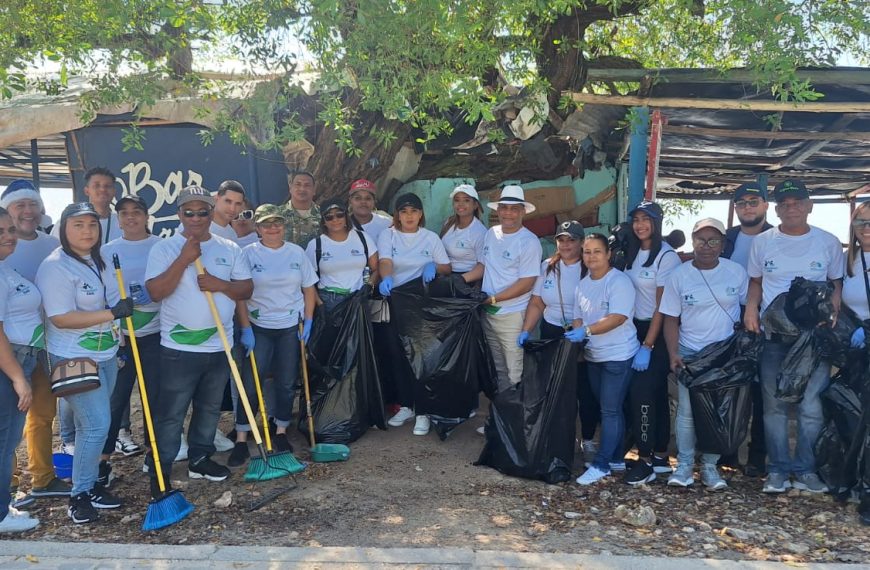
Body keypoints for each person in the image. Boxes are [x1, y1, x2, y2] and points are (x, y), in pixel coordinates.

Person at [145, 186, 253, 495]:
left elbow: (245, 289)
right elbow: (155, 292)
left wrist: (220, 284)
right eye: (189, 212)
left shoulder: (229, 248)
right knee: (172, 413)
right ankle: (161, 468)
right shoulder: (165, 249)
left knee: (209, 409)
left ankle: (200, 458)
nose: (196, 218)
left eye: (203, 212)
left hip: (220, 346)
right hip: (178, 350)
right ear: (179, 214)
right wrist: (183, 260)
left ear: (211, 212)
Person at [744, 179, 843, 494]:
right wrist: (750, 310)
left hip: (813, 339)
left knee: (810, 406)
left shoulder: (828, 242)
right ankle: (777, 470)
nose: (791, 208)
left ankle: (806, 469)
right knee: (773, 406)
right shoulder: (763, 242)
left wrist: (833, 312)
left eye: (797, 201)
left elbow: (835, 284)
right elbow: (756, 282)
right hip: (774, 337)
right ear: (776, 209)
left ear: (809, 205)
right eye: (784, 203)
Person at [37, 202, 131, 523]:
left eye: (92, 224)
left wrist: (118, 338)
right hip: (74, 356)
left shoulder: (99, 260)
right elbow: (61, 318)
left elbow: (107, 301)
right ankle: (79, 495)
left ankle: (89, 486)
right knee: (96, 425)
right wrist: (112, 313)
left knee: (88, 425)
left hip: (105, 353)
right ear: (63, 229)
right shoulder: (56, 266)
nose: (87, 231)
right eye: (78, 225)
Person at [661, 218, 749, 490]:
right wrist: (674, 353)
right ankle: (685, 466)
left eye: (713, 240)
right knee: (687, 412)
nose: (707, 246)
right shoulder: (679, 275)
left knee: (719, 412)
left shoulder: (736, 272)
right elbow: (671, 319)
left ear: (722, 244)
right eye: (701, 239)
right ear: (692, 241)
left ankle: (711, 467)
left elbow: (748, 309)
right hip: (690, 352)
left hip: (725, 356)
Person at [228, 204, 317, 466]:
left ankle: (280, 431)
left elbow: (309, 289)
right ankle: (243, 437)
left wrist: (309, 320)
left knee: (286, 382)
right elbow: (241, 294)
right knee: (251, 382)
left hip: (290, 326)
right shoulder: (247, 254)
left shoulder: (296, 253)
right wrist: (245, 328)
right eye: (266, 224)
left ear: (284, 225)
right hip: (259, 327)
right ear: (258, 228)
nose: (273, 228)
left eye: (277, 223)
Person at [0, 181, 69, 502]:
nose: (27, 212)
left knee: (42, 414)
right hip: (10, 353)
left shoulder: (51, 244)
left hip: (41, 345)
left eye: (32, 204)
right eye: (19, 206)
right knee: (6, 426)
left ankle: (42, 478)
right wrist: (15, 374)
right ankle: (9, 488)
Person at [518, 221, 600, 460]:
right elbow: (537, 302)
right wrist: (526, 330)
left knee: (584, 391)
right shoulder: (548, 266)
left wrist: (584, 332)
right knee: (553, 387)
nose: (566, 244)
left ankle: (587, 439)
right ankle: (557, 437)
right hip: (552, 331)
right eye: (561, 239)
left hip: (582, 334)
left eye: (571, 240)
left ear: (581, 242)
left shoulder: (590, 267)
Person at [565, 232, 639, 485]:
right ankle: (617, 457)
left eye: (597, 251)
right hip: (594, 355)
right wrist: (579, 333)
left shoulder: (619, 282)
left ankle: (601, 463)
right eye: (587, 252)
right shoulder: (583, 284)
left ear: (608, 254)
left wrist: (586, 331)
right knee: (609, 408)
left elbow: (618, 317)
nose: (591, 256)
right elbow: (578, 315)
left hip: (618, 355)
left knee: (609, 409)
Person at [378, 193, 451, 436]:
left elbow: (446, 267)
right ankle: (407, 405)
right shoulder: (388, 235)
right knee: (399, 355)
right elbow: (385, 261)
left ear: (421, 214)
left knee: (420, 358)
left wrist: (433, 267)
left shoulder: (430, 238)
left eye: (414, 211)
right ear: (397, 215)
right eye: (404, 211)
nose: (409, 216)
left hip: (422, 305)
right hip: (396, 301)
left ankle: (423, 411)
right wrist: (386, 276)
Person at [100, 195, 161, 482]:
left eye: (136, 211)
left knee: (154, 397)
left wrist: (151, 292)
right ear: (118, 218)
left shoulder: (160, 246)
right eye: (124, 213)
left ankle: (155, 455)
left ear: (146, 215)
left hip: (155, 333)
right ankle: (102, 464)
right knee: (115, 400)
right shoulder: (106, 251)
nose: (130, 217)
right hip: (121, 337)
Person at [463, 185, 542, 396]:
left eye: (514, 209)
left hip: (512, 316)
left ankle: (516, 424)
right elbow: (483, 266)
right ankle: (500, 422)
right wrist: (459, 281)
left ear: (523, 211)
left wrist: (494, 298)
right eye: (504, 208)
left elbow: (527, 282)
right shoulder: (491, 233)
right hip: (489, 313)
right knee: (497, 369)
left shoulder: (529, 242)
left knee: (515, 371)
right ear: (498, 211)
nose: (508, 213)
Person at [622, 201, 681, 485]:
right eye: (637, 219)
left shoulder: (666, 257)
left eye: (647, 219)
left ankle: (643, 460)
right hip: (631, 327)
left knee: (642, 393)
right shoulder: (633, 252)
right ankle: (659, 455)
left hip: (653, 330)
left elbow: (662, 306)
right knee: (656, 395)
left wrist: (647, 345)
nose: (640, 224)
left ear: (657, 223)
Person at [720, 182, 773, 476]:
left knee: (762, 393)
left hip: (767, 324)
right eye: (742, 203)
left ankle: (757, 458)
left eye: (754, 201)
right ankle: (727, 453)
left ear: (765, 205)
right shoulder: (727, 238)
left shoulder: (778, 237)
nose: (748, 207)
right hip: (729, 325)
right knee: (731, 390)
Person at [0, 207, 39, 533]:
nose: (9, 236)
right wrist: (17, 378)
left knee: (8, 440)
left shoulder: (5, 269)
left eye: (10, 230)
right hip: (8, 365)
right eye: (1, 231)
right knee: (4, 441)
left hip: (20, 360)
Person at [840, 202, 870, 525]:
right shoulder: (848, 261)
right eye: (860, 222)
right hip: (854, 349)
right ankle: (854, 480)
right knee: (853, 418)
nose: (866, 228)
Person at [305, 198, 379, 312]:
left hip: (358, 299)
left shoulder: (362, 237)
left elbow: (376, 269)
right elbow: (307, 281)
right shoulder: (315, 245)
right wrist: (320, 305)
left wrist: (369, 286)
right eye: (329, 217)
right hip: (329, 302)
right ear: (323, 221)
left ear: (346, 216)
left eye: (339, 215)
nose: (335, 219)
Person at [51, 167, 122, 243]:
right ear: (87, 191)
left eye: (107, 186)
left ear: (114, 191)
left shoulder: (123, 223)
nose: (102, 189)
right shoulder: (67, 222)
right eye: (97, 185)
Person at [440, 184, 487, 274]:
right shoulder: (449, 222)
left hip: (467, 278)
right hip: (446, 273)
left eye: (466, 200)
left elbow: (483, 266)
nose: (460, 204)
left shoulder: (480, 232)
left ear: (475, 205)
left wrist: (461, 280)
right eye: (457, 200)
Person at [282, 171, 321, 247]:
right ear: (290, 188)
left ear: (314, 190)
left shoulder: (324, 215)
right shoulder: (277, 215)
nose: (302, 189)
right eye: (298, 184)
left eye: (307, 185)